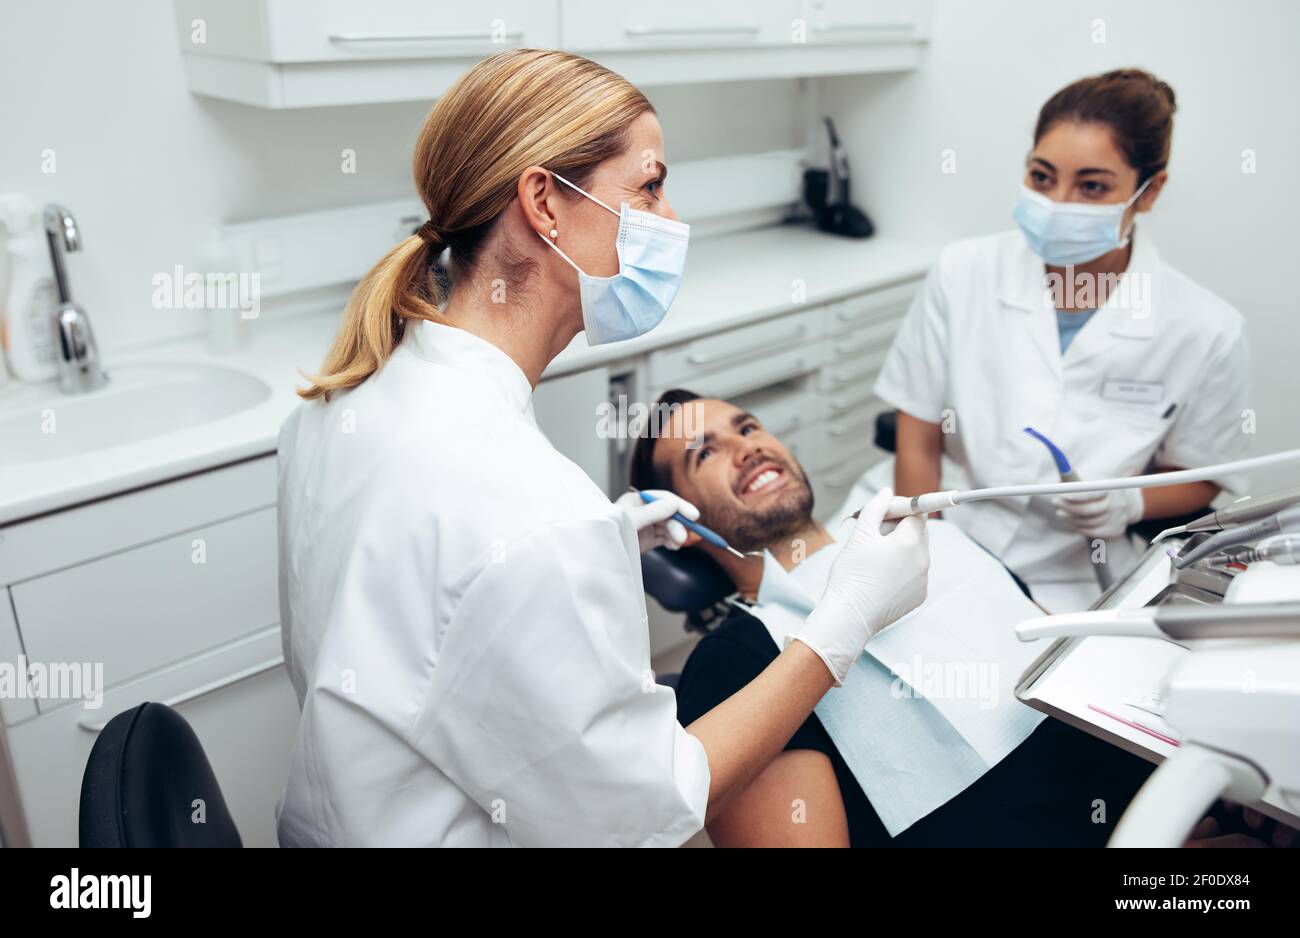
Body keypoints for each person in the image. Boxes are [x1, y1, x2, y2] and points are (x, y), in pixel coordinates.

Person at [274, 49, 930, 847]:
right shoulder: (535, 517)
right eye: (649, 186)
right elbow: (648, 810)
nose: (672, 218)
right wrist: (846, 621)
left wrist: (603, 544)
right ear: (545, 203)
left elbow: (419, 623)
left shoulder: (339, 406)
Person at [630, 388, 1155, 847]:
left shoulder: (936, 539)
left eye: (747, 426)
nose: (747, 447)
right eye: (706, 452)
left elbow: (1076, 672)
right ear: (683, 524)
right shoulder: (735, 660)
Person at [874, 69, 1250, 612]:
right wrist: (923, 550)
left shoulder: (1207, 329)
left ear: (1150, 192)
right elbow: (918, 430)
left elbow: (1200, 477)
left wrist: (1129, 502)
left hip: (1066, 569)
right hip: (938, 526)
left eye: (1092, 186)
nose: (1058, 202)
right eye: (1041, 177)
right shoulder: (964, 271)